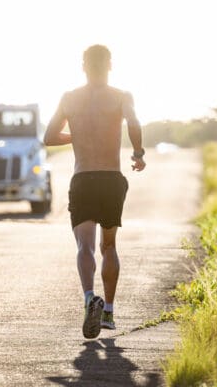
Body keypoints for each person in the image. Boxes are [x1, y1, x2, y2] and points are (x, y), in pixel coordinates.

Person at [44, 44, 146, 339]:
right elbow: (135, 122)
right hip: (111, 178)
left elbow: (49, 137)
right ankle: (109, 312)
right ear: (110, 65)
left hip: (84, 178)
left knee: (84, 247)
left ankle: (90, 297)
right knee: (109, 246)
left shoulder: (69, 98)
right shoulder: (121, 97)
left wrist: (79, 131)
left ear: (83, 66)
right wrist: (138, 152)